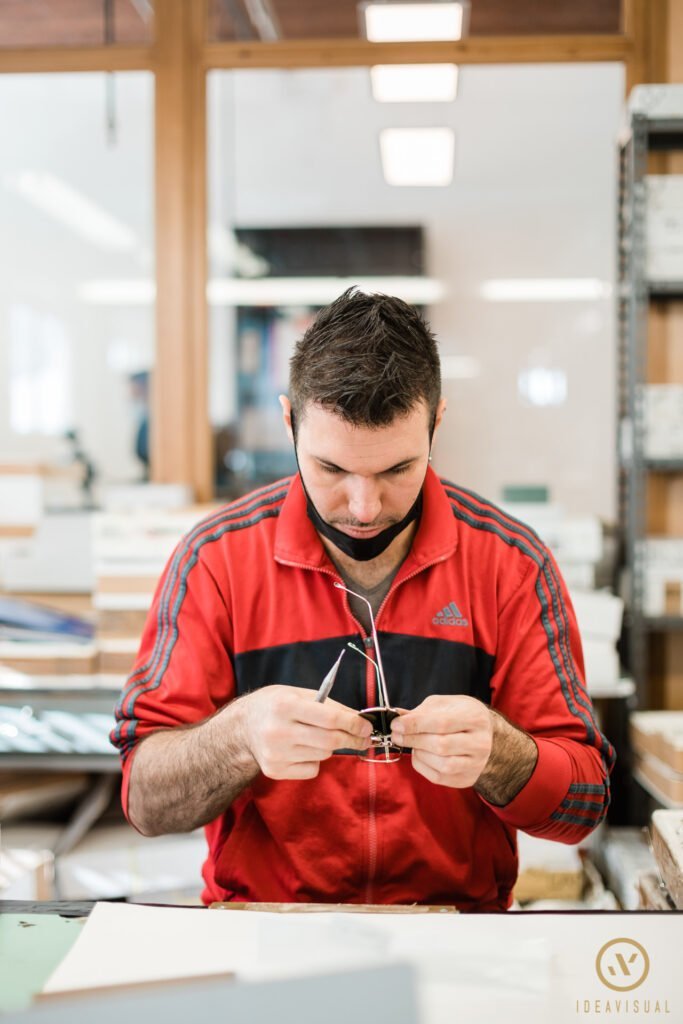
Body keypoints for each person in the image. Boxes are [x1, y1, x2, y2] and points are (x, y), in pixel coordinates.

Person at [111, 288, 614, 911]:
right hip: (266, 931)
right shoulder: (216, 561)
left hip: (458, 935)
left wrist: (503, 755)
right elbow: (144, 801)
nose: (364, 508)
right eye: (331, 469)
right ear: (289, 421)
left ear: (437, 421)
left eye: (398, 470)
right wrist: (237, 736)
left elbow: (584, 804)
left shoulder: (511, 564)